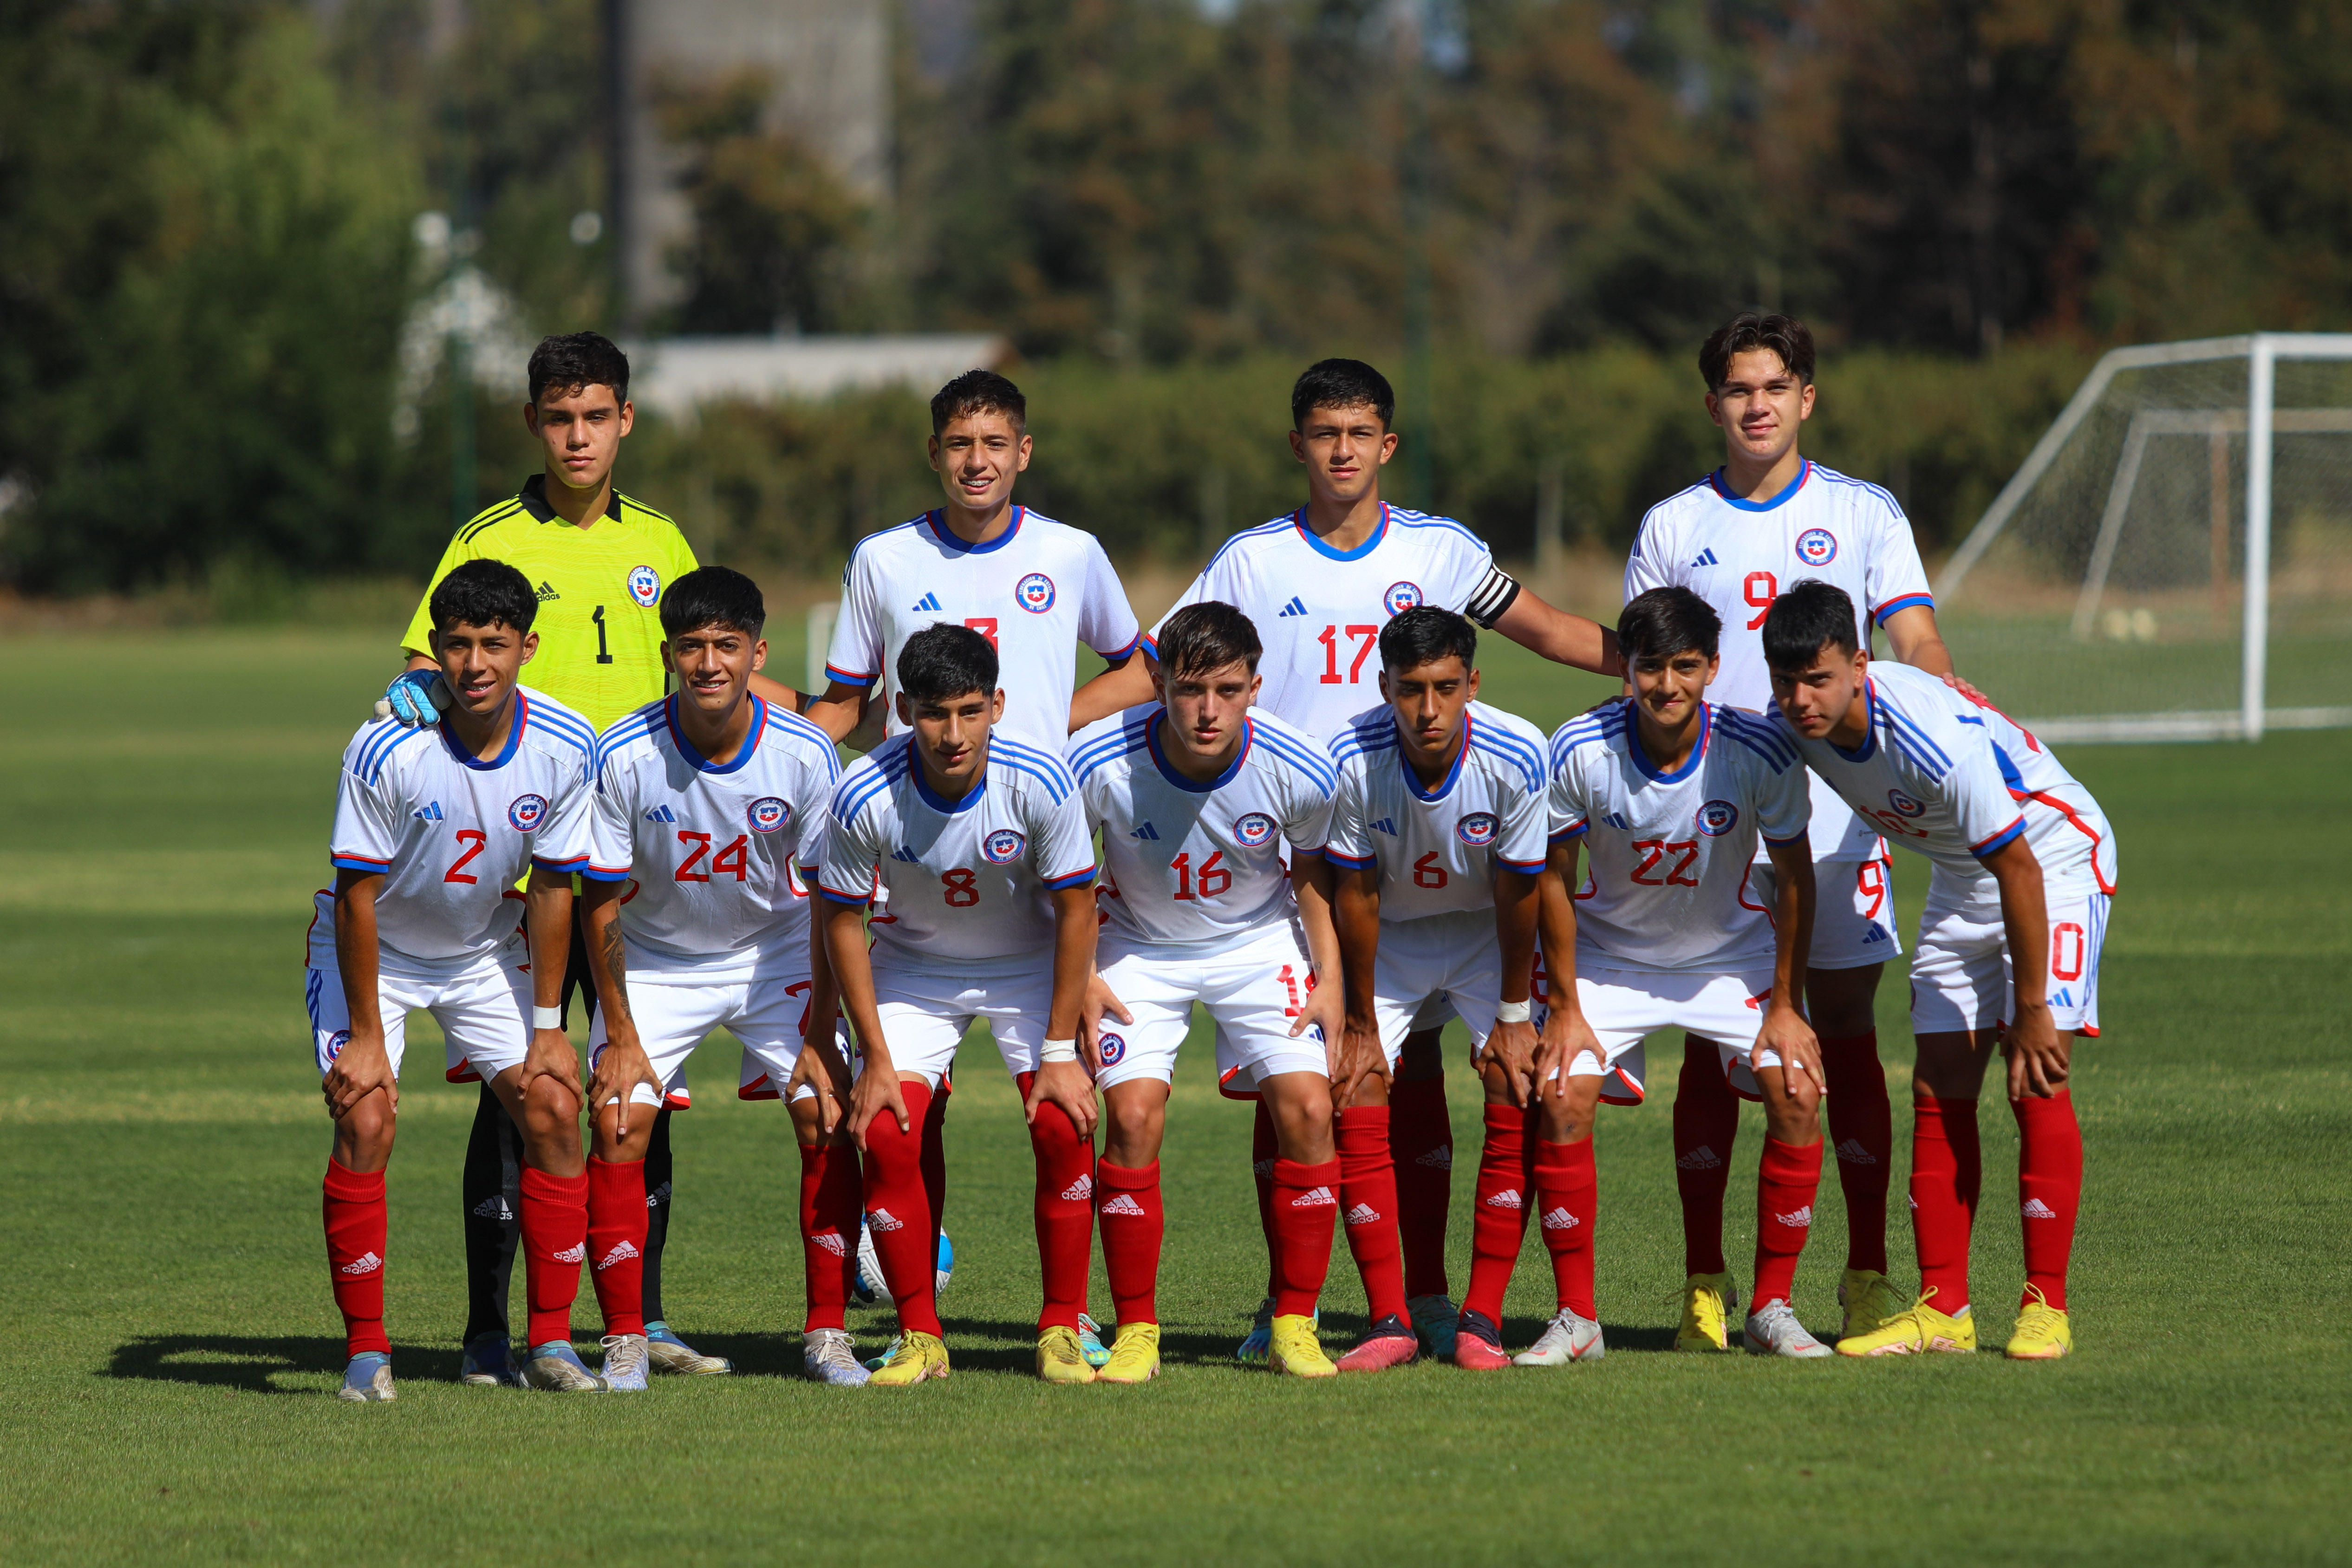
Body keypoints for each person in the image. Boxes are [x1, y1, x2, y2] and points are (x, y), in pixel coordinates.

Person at [1071, 357, 1623, 1362]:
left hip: (1429, 835)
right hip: (1293, 854)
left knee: (1412, 1089)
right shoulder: (1250, 558)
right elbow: (1163, 666)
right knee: (1301, 1084)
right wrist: (1031, 731)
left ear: (1387, 445)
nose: (1341, 450)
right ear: (1299, 444)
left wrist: (1661, 664)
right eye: (1324, 432)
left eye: (1359, 432)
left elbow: (1543, 627)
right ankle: (1292, 1303)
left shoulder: (1442, 549)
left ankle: (1419, 1297)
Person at [380, 332, 788, 1384]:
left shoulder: (658, 535)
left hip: (638, 864)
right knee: (517, 1085)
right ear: (533, 424)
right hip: (521, 865)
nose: (577, 436)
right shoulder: (491, 533)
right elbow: (430, 666)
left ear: (625, 422)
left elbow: (708, 656)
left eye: (595, 416)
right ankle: (487, 1329)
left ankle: (636, 1316)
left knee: (630, 1083)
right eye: (559, 418)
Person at [1622, 312, 1962, 1351]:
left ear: (1807, 396)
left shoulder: (1863, 512)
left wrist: (1927, 735)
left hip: (1842, 810)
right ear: (1712, 403)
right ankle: (1703, 1285)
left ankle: (1865, 1274)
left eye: (1776, 386)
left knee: (1847, 1032)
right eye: (1737, 388)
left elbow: (1913, 637)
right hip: (1718, 821)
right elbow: (1651, 662)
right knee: (1717, 1042)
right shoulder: (1674, 524)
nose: (1757, 404)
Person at [1762, 580, 2112, 1359]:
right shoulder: (1791, 727)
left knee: (2038, 1069)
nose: (1800, 699)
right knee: (1938, 1081)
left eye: (1817, 679)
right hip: (1966, 874)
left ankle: (2045, 1307)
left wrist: (2031, 1006)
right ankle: (1944, 1309)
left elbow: (2020, 866)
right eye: (1785, 681)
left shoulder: (1926, 734)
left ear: (1860, 663)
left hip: (2053, 859)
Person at [1492, 586, 1831, 1367]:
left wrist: (1787, 1003)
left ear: (1713, 668)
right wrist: (1565, 1004)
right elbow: (1554, 876)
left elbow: (1793, 879)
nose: (1667, 685)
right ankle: (1578, 1317)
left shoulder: (1760, 751)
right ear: (1627, 673)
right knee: (1563, 1090)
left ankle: (1771, 1308)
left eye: (1686, 667)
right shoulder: (1578, 749)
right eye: (1651, 667)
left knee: (1798, 1086)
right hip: (1612, 959)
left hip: (1731, 954)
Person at [308, 560, 607, 1398]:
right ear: (433, 649)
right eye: (459, 645)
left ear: (528, 647)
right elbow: (356, 900)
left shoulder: (566, 743)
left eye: (495, 644)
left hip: (482, 952)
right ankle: (368, 1353)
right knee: (366, 1117)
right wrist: (368, 1036)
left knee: (553, 1105)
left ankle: (550, 1343)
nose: (476, 664)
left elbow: (554, 888)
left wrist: (550, 1025)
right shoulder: (384, 744)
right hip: (371, 955)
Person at [1074, 602, 1390, 1379]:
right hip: (1138, 946)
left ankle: (1292, 1321)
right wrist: (1079, 976)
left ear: (1255, 686)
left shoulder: (1301, 765)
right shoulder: (1093, 761)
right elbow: (1062, 879)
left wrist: (1331, 980)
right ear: (1156, 682)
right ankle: (1139, 1328)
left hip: (1257, 943)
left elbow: (1314, 871)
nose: (1206, 710)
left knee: (1311, 1109)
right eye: (1188, 690)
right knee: (1132, 1114)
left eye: (1225, 689)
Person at [575, 568, 863, 1386]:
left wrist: (818, 1032)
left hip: (776, 954)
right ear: (667, 654)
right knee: (619, 1121)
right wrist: (621, 1034)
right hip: (659, 958)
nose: (710, 663)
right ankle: (625, 1338)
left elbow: (832, 902)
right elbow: (598, 899)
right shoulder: (625, 752)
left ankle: (827, 1334)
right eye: (693, 647)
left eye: (727, 646)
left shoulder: (806, 752)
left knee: (826, 1113)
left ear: (757, 653)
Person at [816, 625, 1103, 1387]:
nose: (952, 733)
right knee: (883, 1127)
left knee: (1062, 1119)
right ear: (903, 707)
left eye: (971, 712)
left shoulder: (1040, 779)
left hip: (1026, 963)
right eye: (935, 713)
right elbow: (842, 919)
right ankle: (920, 1334)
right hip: (913, 968)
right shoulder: (863, 791)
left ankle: (1062, 1325)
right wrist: (874, 1056)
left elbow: (1078, 909)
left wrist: (1060, 1052)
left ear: (999, 705)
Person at [1321, 608, 1549, 1372]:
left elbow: (1523, 894)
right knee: (1355, 1083)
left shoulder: (1518, 751)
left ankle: (1482, 1320)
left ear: (1472, 684)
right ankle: (1389, 1317)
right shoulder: (1349, 756)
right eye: (1411, 689)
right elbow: (1353, 893)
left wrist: (1515, 1017)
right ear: (1383, 684)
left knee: (1513, 1079)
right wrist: (1358, 1019)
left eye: (1446, 688)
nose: (1428, 710)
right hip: (1390, 939)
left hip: (1488, 936)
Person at [802, 370, 1144, 753]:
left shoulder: (1071, 552)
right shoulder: (881, 558)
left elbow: (1141, 671)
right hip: (913, 802)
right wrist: (786, 762)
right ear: (935, 453)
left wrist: (1054, 717)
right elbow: (843, 705)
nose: (977, 461)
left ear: (1024, 452)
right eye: (959, 444)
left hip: (1031, 802)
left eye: (996, 443)